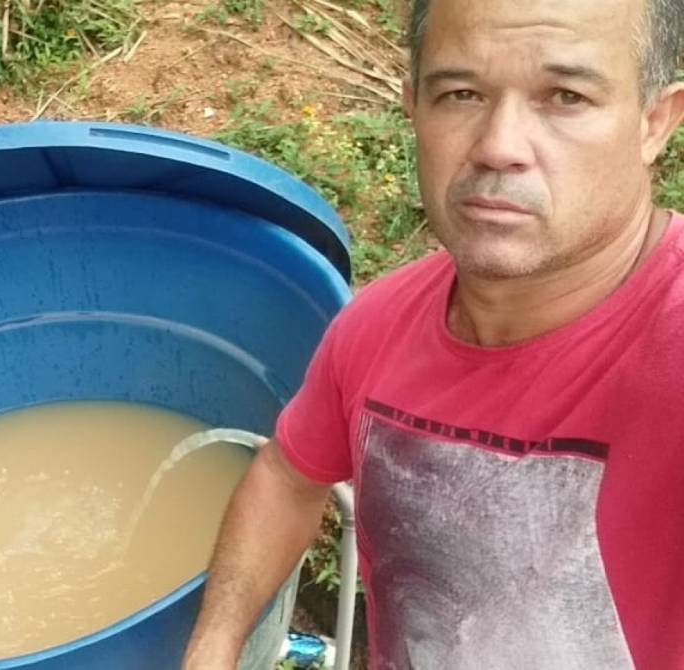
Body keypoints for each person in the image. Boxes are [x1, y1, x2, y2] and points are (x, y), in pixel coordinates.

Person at [183, 0, 684, 667]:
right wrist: (213, 647)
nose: (499, 146)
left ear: (654, 122)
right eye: (461, 93)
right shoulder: (376, 325)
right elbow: (285, 475)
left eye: (565, 96)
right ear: (414, 106)